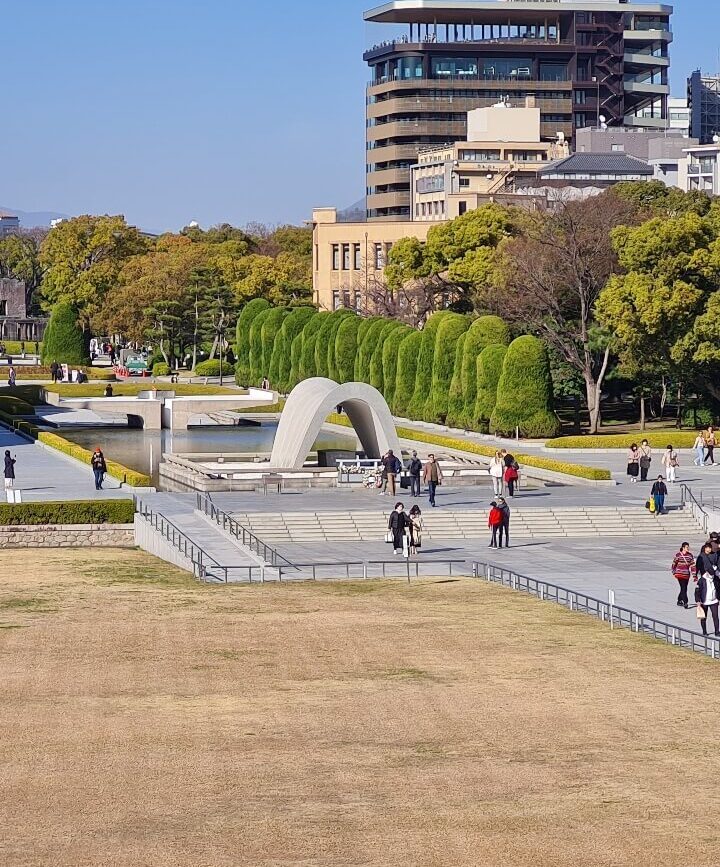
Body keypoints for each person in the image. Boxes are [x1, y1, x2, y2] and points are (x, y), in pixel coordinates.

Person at [695, 555, 720, 637]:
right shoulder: (702, 580)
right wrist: (698, 601)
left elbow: (718, 589)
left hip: (714, 601)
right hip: (704, 601)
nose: (712, 576)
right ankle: (704, 631)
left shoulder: (715, 579)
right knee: (704, 617)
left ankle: (717, 631)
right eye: (711, 574)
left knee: (715, 617)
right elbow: (697, 591)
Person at [671, 542, 697, 609]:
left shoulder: (690, 555)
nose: (688, 548)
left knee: (683, 588)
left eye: (688, 547)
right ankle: (685, 602)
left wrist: (694, 575)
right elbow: (674, 564)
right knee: (684, 588)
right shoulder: (678, 555)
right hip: (679, 574)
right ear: (683, 548)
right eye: (686, 547)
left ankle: (679, 600)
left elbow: (693, 566)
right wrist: (673, 571)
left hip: (686, 574)